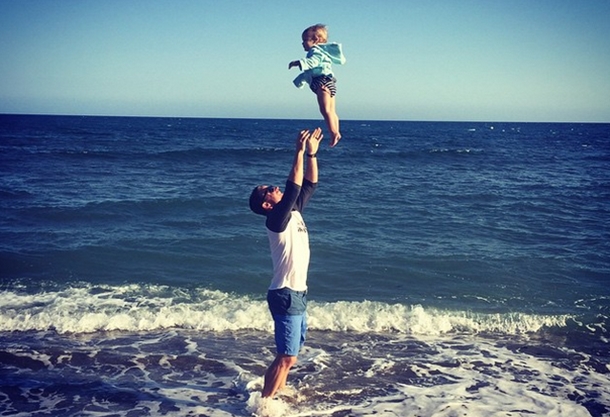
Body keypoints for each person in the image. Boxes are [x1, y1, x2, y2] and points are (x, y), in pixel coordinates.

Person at [248, 128, 323, 399]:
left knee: (291, 355)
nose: (275, 188)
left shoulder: (292, 212)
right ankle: (264, 405)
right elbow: (293, 187)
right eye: (269, 190)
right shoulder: (276, 220)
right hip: (286, 294)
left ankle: (277, 393)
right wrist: (298, 151)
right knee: (286, 357)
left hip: (298, 293)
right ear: (267, 205)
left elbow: (310, 184)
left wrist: (312, 154)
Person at [289, 24, 346, 148]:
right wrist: (299, 81)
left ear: (316, 40)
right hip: (329, 82)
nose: (302, 43)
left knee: (325, 110)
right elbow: (309, 73)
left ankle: (334, 133)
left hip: (322, 82)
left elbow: (312, 63)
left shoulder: (315, 51)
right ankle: (336, 131)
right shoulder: (322, 53)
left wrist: (298, 62)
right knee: (332, 111)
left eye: (305, 40)